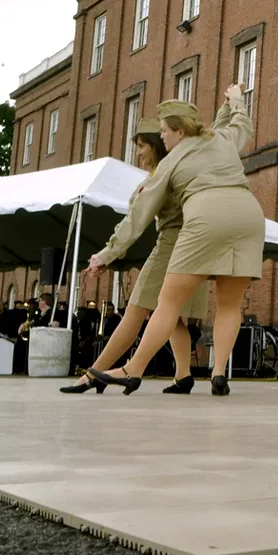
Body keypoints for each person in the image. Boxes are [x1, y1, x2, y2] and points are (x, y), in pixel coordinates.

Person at [89, 85, 265, 397]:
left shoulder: (170, 163)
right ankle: (220, 372)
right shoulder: (222, 141)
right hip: (249, 213)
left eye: (164, 132)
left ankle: (134, 369)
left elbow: (139, 214)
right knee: (229, 304)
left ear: (179, 131)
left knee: (168, 301)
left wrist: (108, 253)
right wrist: (234, 100)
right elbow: (239, 124)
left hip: (206, 213)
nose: (163, 138)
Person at [63, 117, 209, 395]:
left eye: (142, 146)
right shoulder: (180, 169)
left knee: (135, 310)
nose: (138, 152)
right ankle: (183, 375)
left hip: (170, 244)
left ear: (156, 144)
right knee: (175, 313)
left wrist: (106, 255)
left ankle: (95, 374)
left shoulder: (160, 176)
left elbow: (135, 220)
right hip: (194, 244)